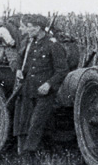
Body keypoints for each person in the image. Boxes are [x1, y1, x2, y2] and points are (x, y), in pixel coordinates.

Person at [11, 13, 69, 157]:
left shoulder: (53, 45)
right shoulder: (30, 42)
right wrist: (19, 69)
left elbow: (62, 71)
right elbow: (20, 57)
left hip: (45, 93)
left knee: (36, 123)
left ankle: (28, 155)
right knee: (26, 122)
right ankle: (43, 151)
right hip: (29, 89)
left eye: (29, 27)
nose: (26, 30)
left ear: (38, 28)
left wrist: (49, 84)